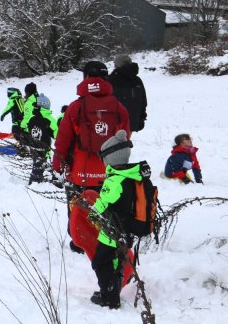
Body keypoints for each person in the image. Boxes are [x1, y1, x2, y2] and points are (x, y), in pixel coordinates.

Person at [52, 60, 131, 250]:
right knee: (108, 206)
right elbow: (125, 139)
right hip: (109, 172)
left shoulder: (75, 108)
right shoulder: (119, 108)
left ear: (85, 78)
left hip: (80, 172)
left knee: (79, 207)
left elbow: (62, 141)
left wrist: (57, 165)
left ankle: (80, 243)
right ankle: (108, 240)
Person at [88, 130, 153, 309]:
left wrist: (92, 212)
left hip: (113, 229)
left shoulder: (114, 180)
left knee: (100, 261)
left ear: (111, 158)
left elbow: (103, 202)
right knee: (116, 261)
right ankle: (112, 292)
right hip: (128, 228)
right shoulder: (131, 175)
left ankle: (109, 297)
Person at [109, 54, 148, 133]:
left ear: (117, 65)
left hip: (113, 122)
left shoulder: (111, 79)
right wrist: (142, 118)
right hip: (132, 122)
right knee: (125, 143)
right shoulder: (137, 80)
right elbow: (143, 102)